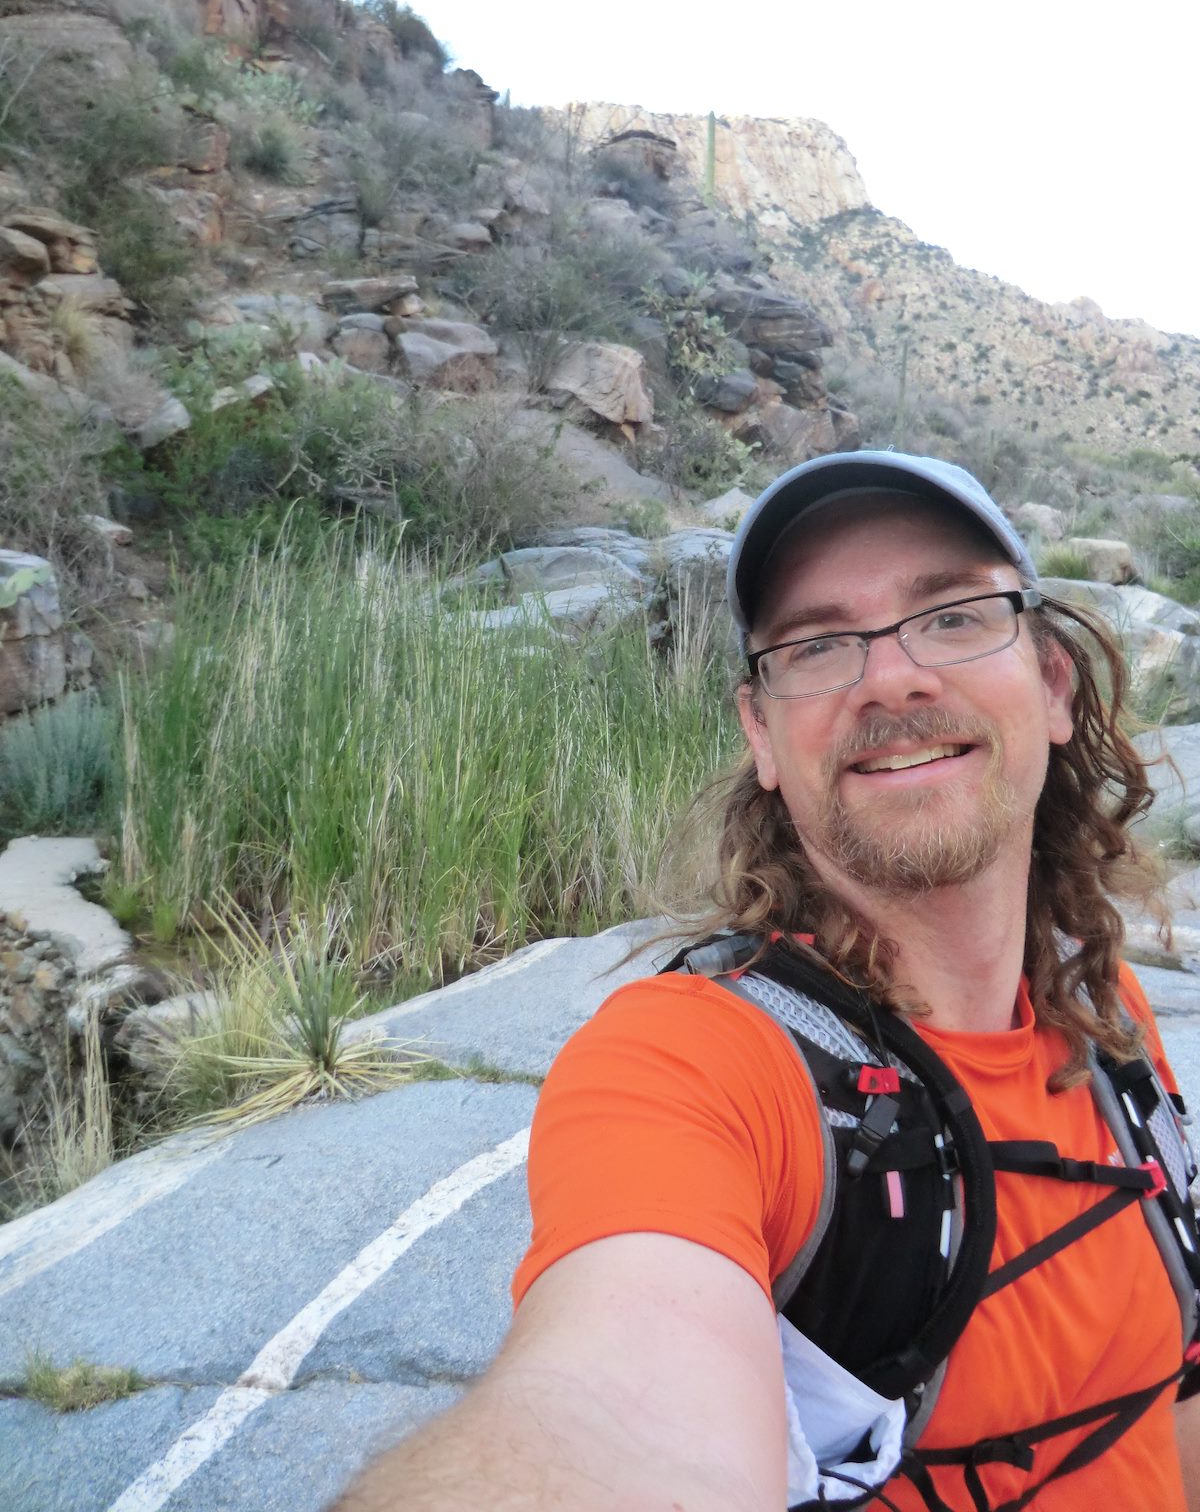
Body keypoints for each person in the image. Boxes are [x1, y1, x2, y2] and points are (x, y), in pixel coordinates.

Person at [336, 449, 1200, 1512]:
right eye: (818, 643)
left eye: (955, 616)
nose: (892, 678)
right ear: (763, 732)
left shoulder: (1108, 1028)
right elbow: (608, 1419)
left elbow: (1170, 1396)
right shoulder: (694, 1063)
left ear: (1054, 683)